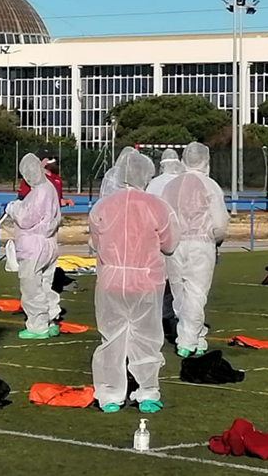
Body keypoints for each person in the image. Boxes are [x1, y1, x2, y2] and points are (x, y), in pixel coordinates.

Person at [89, 150, 180, 413]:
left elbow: (95, 242)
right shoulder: (157, 206)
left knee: (111, 337)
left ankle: (109, 394)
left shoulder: (102, 206)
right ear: (146, 175)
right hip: (146, 280)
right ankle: (148, 390)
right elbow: (170, 243)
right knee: (147, 336)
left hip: (112, 279)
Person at [161, 142, 229, 357]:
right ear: (205, 160)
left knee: (179, 291)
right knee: (196, 292)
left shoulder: (170, 186)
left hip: (174, 244)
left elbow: (163, 217)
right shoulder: (209, 185)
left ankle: (195, 335)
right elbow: (220, 221)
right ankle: (188, 340)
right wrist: (216, 239)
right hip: (201, 243)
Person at [6, 153, 63, 339]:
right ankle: (51, 318)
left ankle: (38, 326)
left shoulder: (39, 192)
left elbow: (26, 219)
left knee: (32, 286)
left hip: (34, 246)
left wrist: (13, 208)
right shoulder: (49, 188)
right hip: (49, 242)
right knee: (46, 284)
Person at [145, 149, 185, 339]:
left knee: (159, 281)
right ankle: (177, 320)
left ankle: (159, 317)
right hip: (180, 239)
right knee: (179, 283)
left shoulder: (153, 184)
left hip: (156, 238)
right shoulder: (183, 182)